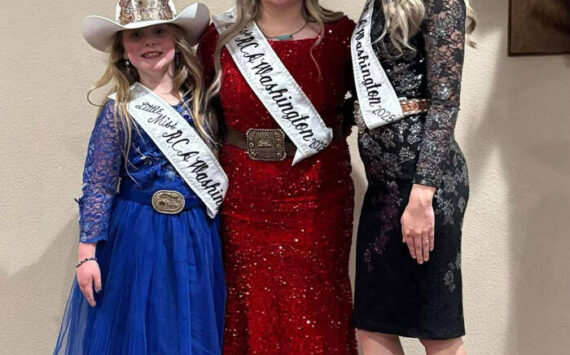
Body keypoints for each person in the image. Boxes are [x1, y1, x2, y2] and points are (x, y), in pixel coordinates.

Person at [53, 1, 228, 354]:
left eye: (160, 31)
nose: (150, 42)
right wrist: (87, 254)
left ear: (176, 41)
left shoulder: (204, 103)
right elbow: (99, 186)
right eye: (136, 35)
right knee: (142, 329)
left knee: (191, 327)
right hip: (138, 233)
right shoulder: (119, 109)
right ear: (123, 51)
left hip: (195, 232)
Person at [199, 0, 358, 353]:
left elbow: (364, 109)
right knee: (249, 304)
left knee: (316, 304)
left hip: (320, 196)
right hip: (243, 196)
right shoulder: (219, 37)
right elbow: (201, 116)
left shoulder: (341, 36)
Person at [351, 0, 476, 353]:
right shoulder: (373, 6)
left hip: (425, 184)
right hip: (383, 185)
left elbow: (445, 102)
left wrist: (422, 196)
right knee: (373, 323)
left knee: (435, 327)